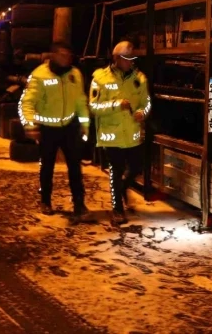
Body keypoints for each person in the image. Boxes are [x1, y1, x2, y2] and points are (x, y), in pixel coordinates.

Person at [19, 41, 91, 223]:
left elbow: (81, 100)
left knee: (75, 167)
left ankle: (79, 203)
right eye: (62, 54)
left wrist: (85, 124)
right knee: (47, 166)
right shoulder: (39, 75)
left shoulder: (75, 74)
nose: (67, 58)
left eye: (69, 54)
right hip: (48, 130)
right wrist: (30, 126)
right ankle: (45, 201)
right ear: (53, 55)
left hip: (70, 127)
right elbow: (27, 103)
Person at [89, 41, 151, 225]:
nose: (130, 63)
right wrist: (116, 105)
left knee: (136, 168)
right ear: (116, 58)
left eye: (132, 59)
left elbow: (146, 102)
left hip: (132, 134)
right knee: (115, 171)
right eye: (127, 59)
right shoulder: (100, 78)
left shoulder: (139, 78)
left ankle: (122, 187)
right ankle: (117, 210)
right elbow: (93, 107)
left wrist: (143, 113)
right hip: (112, 136)